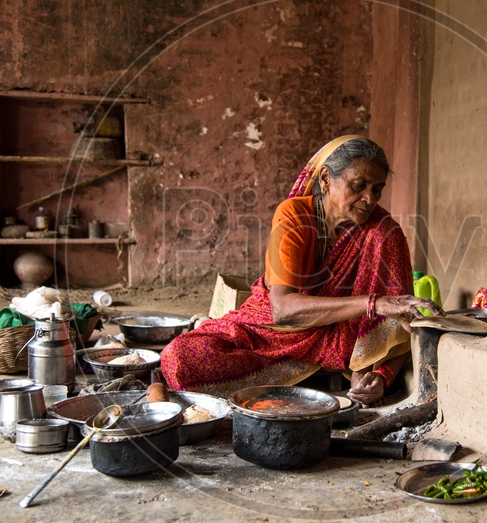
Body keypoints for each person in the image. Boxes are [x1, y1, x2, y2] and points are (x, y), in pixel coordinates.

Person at [161, 135, 444, 406]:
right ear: (325, 180)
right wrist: (372, 303)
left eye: (377, 189)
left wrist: (382, 376)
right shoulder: (294, 216)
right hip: (273, 332)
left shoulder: (383, 232)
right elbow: (283, 309)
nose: (369, 198)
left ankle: (321, 373)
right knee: (179, 359)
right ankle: (305, 375)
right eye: (359, 185)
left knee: (366, 365)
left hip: (340, 340)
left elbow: (400, 322)